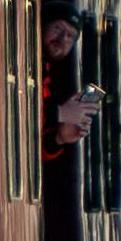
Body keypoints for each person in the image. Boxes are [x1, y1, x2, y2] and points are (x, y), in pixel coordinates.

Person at [44, 8, 98, 151]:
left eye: (70, 36)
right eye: (58, 28)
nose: (62, 38)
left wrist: (59, 138)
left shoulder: (46, 72)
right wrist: (59, 113)